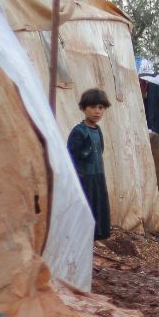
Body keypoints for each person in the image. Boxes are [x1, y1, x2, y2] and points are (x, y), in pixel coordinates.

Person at [67, 88, 112, 241]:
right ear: (83, 108)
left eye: (101, 107)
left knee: (97, 208)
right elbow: (71, 158)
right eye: (92, 107)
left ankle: (94, 237)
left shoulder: (98, 130)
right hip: (84, 179)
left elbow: (100, 151)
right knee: (85, 211)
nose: (97, 111)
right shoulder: (79, 132)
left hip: (98, 178)